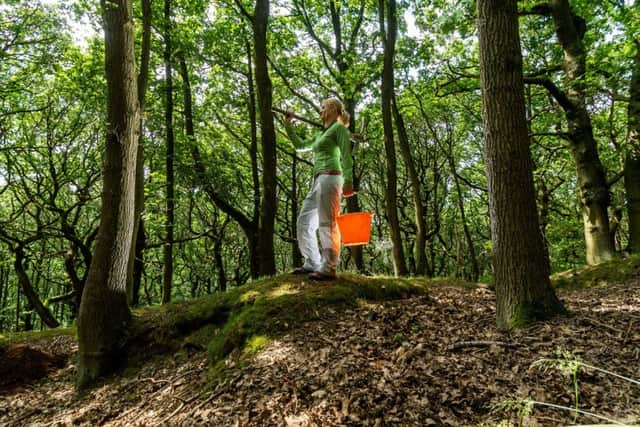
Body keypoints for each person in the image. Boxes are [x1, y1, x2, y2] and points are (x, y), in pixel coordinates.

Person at [284, 98, 354, 281]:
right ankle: (312, 262)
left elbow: (346, 155)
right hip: (318, 180)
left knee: (327, 222)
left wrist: (349, 181)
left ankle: (329, 267)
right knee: (304, 222)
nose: (320, 111)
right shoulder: (320, 134)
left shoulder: (339, 129)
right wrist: (289, 126)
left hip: (332, 177)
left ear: (332, 109)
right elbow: (300, 146)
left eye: (323, 107)